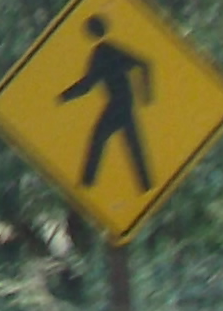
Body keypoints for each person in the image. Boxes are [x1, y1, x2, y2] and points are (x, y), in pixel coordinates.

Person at [60, 16, 154, 194]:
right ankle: (146, 186)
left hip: (119, 103)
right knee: (130, 145)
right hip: (123, 102)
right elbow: (88, 83)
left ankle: (87, 185)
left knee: (102, 139)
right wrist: (65, 96)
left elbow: (88, 83)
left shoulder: (104, 51)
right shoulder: (107, 50)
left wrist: (147, 94)